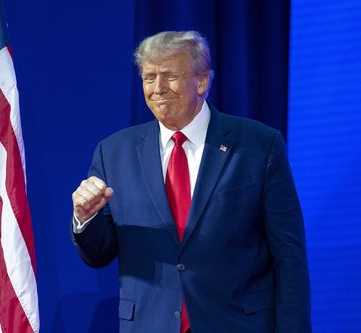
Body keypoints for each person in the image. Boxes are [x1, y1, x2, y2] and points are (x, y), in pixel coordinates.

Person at [71, 31, 311, 333]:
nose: (157, 88)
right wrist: (85, 217)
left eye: (169, 76)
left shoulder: (258, 145)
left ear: (202, 81)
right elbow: (99, 254)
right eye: (149, 77)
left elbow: (288, 255)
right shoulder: (113, 152)